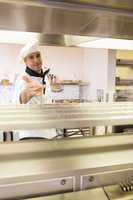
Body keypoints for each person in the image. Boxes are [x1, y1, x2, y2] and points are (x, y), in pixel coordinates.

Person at [13, 39, 57, 140]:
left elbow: (47, 99)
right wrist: (24, 96)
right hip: (31, 134)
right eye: (31, 57)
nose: (36, 60)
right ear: (25, 61)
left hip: (49, 133)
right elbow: (16, 102)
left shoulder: (46, 76)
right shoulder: (22, 79)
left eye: (38, 55)